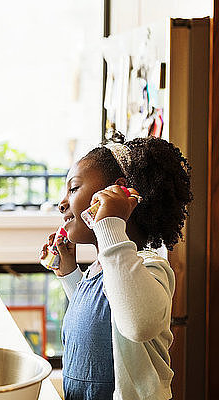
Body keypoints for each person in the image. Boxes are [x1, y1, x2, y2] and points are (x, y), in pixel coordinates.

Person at [40, 135, 193, 400]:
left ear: (116, 191)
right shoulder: (100, 270)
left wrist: (110, 225)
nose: (62, 202)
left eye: (73, 189)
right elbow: (98, 319)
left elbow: (137, 324)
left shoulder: (151, 267)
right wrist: (69, 274)